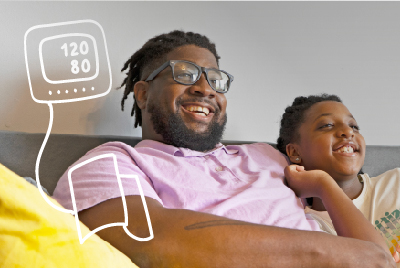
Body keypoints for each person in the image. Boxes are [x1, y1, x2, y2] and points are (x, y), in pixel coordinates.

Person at [53, 31, 395, 268]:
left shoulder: (266, 156)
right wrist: (336, 256)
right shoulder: (111, 163)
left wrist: (322, 184)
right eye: (185, 74)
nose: (205, 89)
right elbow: (152, 245)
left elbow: (378, 258)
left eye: (215, 80)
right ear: (143, 94)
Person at [277, 93, 400, 265]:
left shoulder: (397, 181)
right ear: (295, 152)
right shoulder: (307, 226)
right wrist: (323, 185)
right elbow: (376, 262)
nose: (348, 131)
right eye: (327, 125)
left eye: (354, 126)